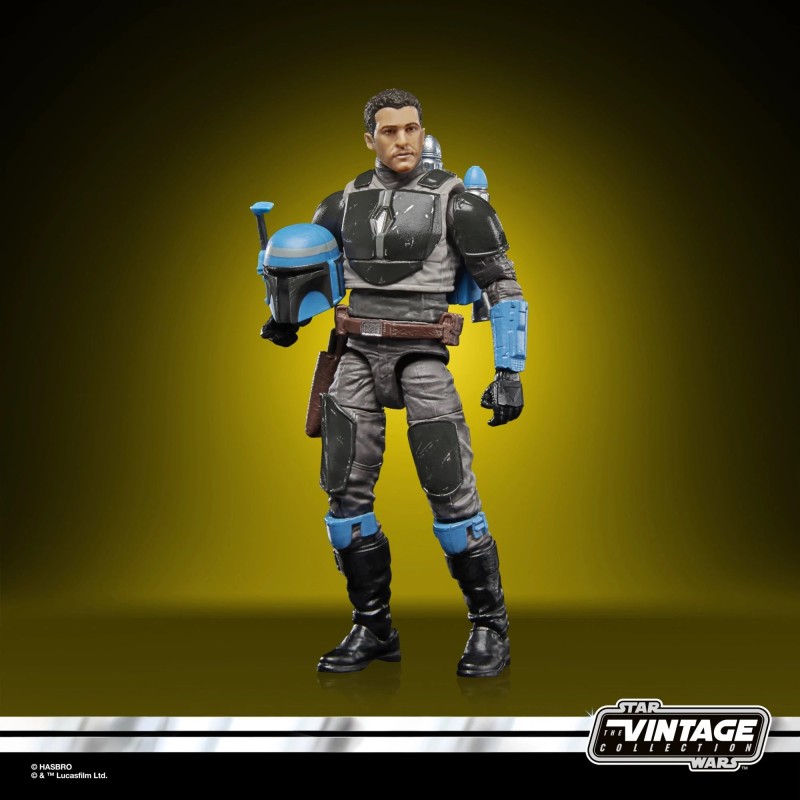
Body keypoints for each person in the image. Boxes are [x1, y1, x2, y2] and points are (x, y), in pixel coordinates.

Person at [259, 88, 528, 677]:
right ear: (370, 138)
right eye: (389, 130)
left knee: (450, 488)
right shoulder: (342, 202)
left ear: (422, 132)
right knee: (343, 494)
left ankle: (490, 626)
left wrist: (509, 371)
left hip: (422, 353)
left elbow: (502, 285)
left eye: (410, 129)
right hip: (356, 352)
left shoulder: (460, 204)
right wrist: (285, 318)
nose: (401, 140)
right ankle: (373, 626)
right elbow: (314, 269)